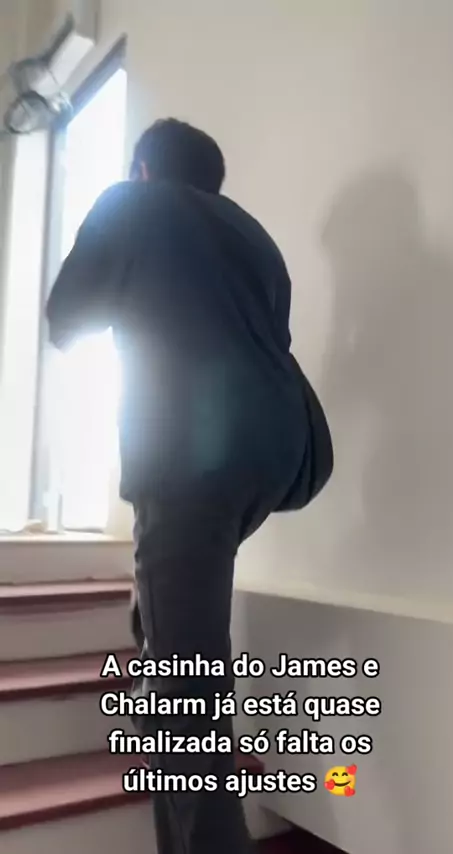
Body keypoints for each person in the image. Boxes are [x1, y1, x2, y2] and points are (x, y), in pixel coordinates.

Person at [46, 118, 333, 854]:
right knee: (171, 622)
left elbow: (66, 319)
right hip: (278, 451)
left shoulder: (132, 203)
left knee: (185, 700)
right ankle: (159, 648)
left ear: (143, 168)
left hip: (192, 454)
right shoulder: (255, 238)